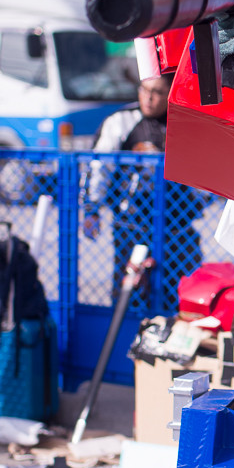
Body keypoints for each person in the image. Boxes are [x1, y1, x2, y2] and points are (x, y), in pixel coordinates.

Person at [84, 74, 202, 305]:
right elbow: (99, 167)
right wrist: (92, 210)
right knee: (129, 292)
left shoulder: (186, 121)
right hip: (132, 222)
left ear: (169, 94)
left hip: (177, 223)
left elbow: (201, 171)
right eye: (144, 90)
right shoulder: (121, 120)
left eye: (157, 92)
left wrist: (199, 202)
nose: (148, 98)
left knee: (181, 292)